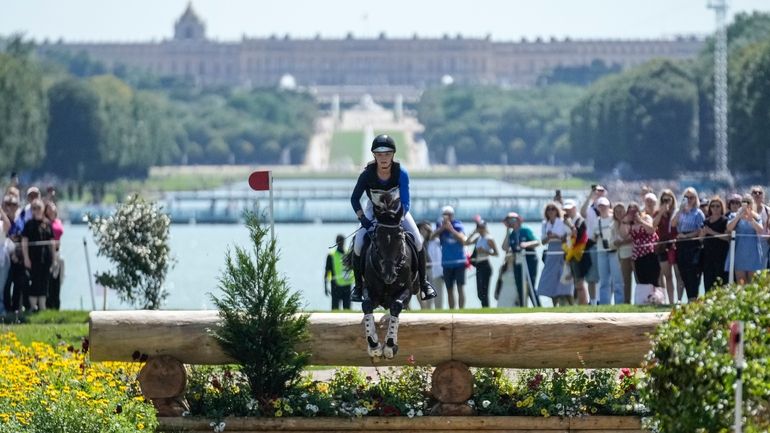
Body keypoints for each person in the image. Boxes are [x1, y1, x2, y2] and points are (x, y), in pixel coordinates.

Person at [349, 134, 436, 303]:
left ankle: (424, 283)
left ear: (393, 155)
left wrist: (399, 218)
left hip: (398, 211)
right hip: (374, 212)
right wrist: (363, 220)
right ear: (374, 155)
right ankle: (359, 287)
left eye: (387, 154)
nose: (383, 158)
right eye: (379, 154)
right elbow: (354, 199)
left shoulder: (401, 173)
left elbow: (406, 201)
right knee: (359, 243)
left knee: (418, 241)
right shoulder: (367, 175)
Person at [21, 198, 56, 312]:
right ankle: (32, 307)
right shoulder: (29, 224)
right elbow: (24, 242)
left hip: (46, 258)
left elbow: (52, 242)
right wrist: (26, 258)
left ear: (42, 209)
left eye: (38, 208)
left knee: (44, 282)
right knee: (34, 282)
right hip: (33, 258)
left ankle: (42, 307)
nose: (36, 210)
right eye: (33, 208)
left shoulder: (47, 224)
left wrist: (54, 259)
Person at [671, 187, 705, 302]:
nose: (689, 200)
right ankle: (686, 299)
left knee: (693, 273)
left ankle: (693, 298)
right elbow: (673, 224)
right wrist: (680, 210)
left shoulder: (698, 213)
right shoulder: (680, 212)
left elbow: (700, 230)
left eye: (692, 197)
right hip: (681, 245)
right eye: (687, 197)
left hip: (693, 244)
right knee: (683, 272)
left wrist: (687, 236)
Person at [537, 202, 573, 306]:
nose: (551, 211)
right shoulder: (545, 224)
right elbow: (543, 241)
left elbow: (567, 237)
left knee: (564, 277)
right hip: (551, 252)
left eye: (553, 209)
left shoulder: (562, 222)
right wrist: (549, 237)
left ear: (557, 210)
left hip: (562, 251)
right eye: (549, 209)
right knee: (551, 278)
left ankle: (569, 303)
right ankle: (554, 304)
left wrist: (556, 236)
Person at [502, 212, 540, 307]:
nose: (511, 222)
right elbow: (505, 247)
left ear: (518, 220)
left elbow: (537, 242)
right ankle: (523, 307)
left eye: (512, 219)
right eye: (509, 220)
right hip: (518, 261)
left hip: (530, 259)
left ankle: (537, 306)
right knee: (519, 285)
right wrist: (507, 231)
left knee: (530, 284)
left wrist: (526, 245)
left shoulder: (525, 230)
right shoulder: (511, 235)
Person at [431, 206, 467, 309]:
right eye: (445, 215)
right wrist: (442, 228)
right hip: (446, 263)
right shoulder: (440, 226)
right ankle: (452, 310)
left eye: (449, 214)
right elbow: (431, 237)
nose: (447, 217)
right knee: (449, 289)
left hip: (459, 262)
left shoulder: (458, 225)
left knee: (460, 287)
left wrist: (451, 229)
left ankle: (462, 310)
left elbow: (463, 240)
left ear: (453, 215)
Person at [725, 194, 765, 285]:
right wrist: (738, 216)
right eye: (744, 202)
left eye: (748, 202)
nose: (746, 204)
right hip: (739, 252)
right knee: (741, 281)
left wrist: (751, 220)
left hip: (753, 252)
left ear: (752, 204)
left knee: (753, 282)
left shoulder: (756, 216)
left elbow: (761, 230)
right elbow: (729, 228)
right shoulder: (734, 215)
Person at [651, 190, 681, 305]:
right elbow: (653, 225)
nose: (666, 202)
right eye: (664, 200)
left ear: (673, 200)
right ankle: (668, 301)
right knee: (666, 275)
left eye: (668, 199)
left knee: (678, 274)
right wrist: (660, 213)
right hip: (662, 246)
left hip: (675, 245)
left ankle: (677, 301)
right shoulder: (658, 213)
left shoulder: (676, 212)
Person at [621, 202, 660, 287]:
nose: (633, 214)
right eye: (630, 212)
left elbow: (651, 230)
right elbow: (623, 235)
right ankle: (645, 298)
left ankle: (656, 298)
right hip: (638, 255)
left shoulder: (646, 218)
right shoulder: (630, 224)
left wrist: (640, 221)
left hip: (650, 253)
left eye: (634, 211)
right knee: (641, 280)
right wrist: (624, 221)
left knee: (653, 279)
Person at [594, 197, 623, 304]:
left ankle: (619, 302)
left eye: (604, 206)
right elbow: (592, 237)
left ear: (608, 206)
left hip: (614, 251)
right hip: (601, 251)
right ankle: (604, 303)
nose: (602, 208)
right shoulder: (596, 221)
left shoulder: (614, 219)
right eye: (600, 206)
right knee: (604, 281)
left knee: (617, 280)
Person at [579, 185, 605, 304]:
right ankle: (593, 301)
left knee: (604, 275)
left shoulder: (608, 209)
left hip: (605, 245)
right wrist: (590, 195)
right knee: (592, 276)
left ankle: (603, 300)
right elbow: (582, 212)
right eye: (596, 191)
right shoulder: (590, 209)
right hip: (592, 244)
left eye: (601, 191)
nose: (598, 193)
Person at [466, 219, 498, 308]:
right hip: (479, 266)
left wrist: (485, 251)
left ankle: (486, 309)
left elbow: (496, 253)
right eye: (478, 227)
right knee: (479, 293)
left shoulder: (489, 238)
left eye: (482, 227)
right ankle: (484, 308)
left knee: (484, 291)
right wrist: (473, 232)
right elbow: (466, 242)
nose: (480, 229)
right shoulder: (478, 238)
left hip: (485, 265)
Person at [564, 199, 590, 305]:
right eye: (566, 209)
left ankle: (584, 303)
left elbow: (578, 236)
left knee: (580, 282)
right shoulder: (569, 221)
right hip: (571, 254)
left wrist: (570, 225)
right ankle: (581, 303)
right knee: (577, 282)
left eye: (569, 209)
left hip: (580, 254)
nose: (567, 211)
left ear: (574, 208)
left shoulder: (580, 221)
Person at [701, 196, 729, 292]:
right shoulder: (706, 221)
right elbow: (700, 239)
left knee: (720, 282)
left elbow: (728, 237)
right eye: (713, 206)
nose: (715, 208)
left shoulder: (725, 221)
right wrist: (703, 233)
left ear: (722, 207)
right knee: (708, 282)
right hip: (708, 256)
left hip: (721, 256)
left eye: (718, 206)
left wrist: (712, 232)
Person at [418, 221, 444, 309]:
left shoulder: (436, 240)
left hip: (436, 270)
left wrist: (430, 230)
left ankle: (438, 311)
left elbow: (433, 235)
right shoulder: (420, 241)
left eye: (426, 229)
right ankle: (427, 310)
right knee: (427, 292)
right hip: (425, 271)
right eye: (422, 229)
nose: (424, 231)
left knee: (438, 292)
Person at [611, 203, 634, 303]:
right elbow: (612, 241)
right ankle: (627, 301)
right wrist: (619, 243)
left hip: (634, 253)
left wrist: (622, 242)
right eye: (616, 212)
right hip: (622, 255)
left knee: (638, 279)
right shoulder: (614, 225)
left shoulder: (630, 222)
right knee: (626, 280)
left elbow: (632, 237)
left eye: (621, 211)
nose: (619, 213)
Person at [324, 234, 353, 310]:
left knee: (347, 308)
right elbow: (327, 270)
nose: (341, 243)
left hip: (347, 284)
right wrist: (325, 286)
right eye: (339, 241)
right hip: (335, 284)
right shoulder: (331, 255)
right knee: (335, 308)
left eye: (342, 241)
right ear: (336, 242)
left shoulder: (348, 253)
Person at [45, 201, 64, 310]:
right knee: (50, 279)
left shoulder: (58, 221)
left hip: (58, 252)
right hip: (49, 253)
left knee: (58, 278)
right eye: (49, 208)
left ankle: (56, 305)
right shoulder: (46, 223)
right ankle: (49, 305)